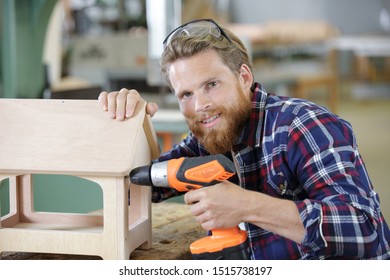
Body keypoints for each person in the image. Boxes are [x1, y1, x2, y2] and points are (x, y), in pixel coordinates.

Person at [98, 19, 390, 259]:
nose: (200, 105)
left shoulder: (303, 125)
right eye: (186, 94)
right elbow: (135, 188)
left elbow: (365, 230)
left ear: (245, 77)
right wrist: (124, 127)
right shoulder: (207, 135)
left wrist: (248, 206)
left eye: (211, 85)